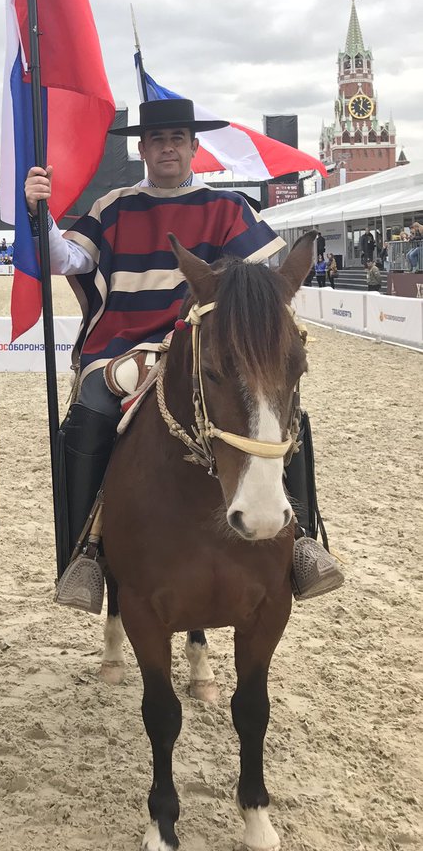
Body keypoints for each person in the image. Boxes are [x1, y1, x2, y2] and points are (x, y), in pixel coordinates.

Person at [24, 96, 343, 602]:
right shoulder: (114, 206)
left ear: (194, 147)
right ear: (143, 149)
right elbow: (65, 259)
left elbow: (264, 284)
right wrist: (38, 216)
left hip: (203, 347)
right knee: (89, 416)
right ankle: (83, 554)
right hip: (120, 349)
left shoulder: (228, 207)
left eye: (177, 139)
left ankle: (303, 540)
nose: (167, 148)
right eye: (156, 139)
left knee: (287, 416)